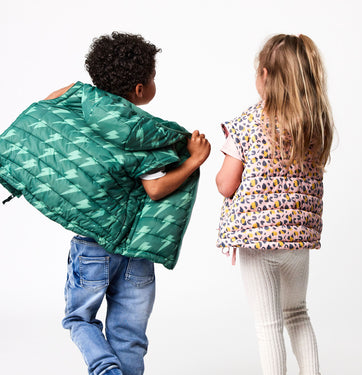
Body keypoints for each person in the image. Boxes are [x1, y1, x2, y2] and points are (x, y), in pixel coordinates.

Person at [0, 32, 210, 375]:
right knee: (128, 334)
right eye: (153, 77)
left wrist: (73, 94)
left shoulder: (77, 96)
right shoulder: (148, 134)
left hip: (91, 248)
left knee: (78, 318)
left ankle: (104, 368)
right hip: (135, 253)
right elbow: (155, 191)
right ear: (140, 89)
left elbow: (45, 108)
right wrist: (192, 161)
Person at [216, 34, 334, 375]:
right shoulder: (312, 126)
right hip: (297, 243)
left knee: (268, 326)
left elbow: (226, 184)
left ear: (265, 75)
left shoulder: (247, 125)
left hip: (258, 242)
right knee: (297, 313)